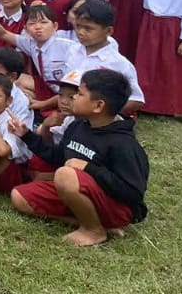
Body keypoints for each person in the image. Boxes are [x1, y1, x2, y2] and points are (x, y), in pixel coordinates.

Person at [9, 68, 148, 246]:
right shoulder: (78, 126)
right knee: (19, 197)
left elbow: (133, 194)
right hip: (78, 193)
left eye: (80, 94)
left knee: (65, 174)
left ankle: (93, 231)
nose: (73, 97)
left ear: (99, 106)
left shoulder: (123, 144)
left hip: (116, 207)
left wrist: (89, 168)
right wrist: (26, 135)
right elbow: (57, 157)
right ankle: (92, 223)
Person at [65, 0, 145, 114]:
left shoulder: (119, 64)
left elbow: (137, 100)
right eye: (78, 26)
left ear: (108, 31)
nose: (80, 32)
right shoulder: (72, 50)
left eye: (88, 29)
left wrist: (102, 113)